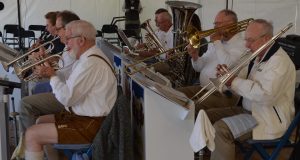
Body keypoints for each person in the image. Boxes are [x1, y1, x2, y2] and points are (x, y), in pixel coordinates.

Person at [24, 20, 118, 160]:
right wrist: (47, 64)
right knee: (40, 122)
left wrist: (51, 76)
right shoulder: (87, 58)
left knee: (32, 134)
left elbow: (67, 98)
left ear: (81, 40)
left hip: (90, 126)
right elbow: (67, 80)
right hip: (83, 118)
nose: (65, 43)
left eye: (68, 39)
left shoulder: (91, 63)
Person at [207, 19, 295, 160]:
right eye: (246, 40)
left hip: (266, 119)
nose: (247, 45)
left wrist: (233, 81)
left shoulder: (280, 62)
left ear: (266, 39)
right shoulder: (259, 56)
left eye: (250, 40)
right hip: (249, 109)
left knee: (221, 130)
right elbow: (246, 85)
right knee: (206, 115)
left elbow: (265, 96)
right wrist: (228, 77)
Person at [19, 10, 80, 134]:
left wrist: (46, 67)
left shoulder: (73, 47)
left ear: (68, 29)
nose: (55, 32)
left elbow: (63, 75)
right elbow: (62, 66)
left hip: (68, 96)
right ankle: (33, 139)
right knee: (34, 85)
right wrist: (45, 59)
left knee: (25, 103)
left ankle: (29, 140)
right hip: (64, 88)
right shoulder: (69, 46)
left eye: (58, 29)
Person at [177, 9, 246, 112]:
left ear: (230, 24)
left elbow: (228, 66)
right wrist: (195, 56)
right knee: (175, 95)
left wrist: (217, 42)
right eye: (215, 24)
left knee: (189, 108)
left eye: (218, 24)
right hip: (203, 88)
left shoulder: (242, 44)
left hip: (224, 95)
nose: (214, 27)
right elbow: (198, 68)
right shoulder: (218, 42)